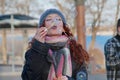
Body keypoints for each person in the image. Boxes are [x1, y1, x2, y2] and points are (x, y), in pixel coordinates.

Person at [21, 9, 89, 80]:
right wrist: (38, 46)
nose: (54, 21)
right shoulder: (34, 51)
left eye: (58, 19)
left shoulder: (75, 51)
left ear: (63, 28)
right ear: (43, 27)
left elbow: (82, 77)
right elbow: (28, 78)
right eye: (49, 19)